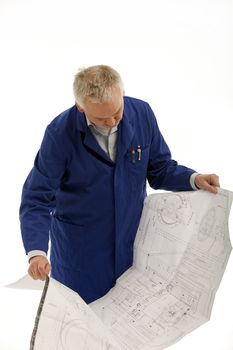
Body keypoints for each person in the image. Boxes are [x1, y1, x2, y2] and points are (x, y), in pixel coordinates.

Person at [20, 65, 220, 304]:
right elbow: (37, 199)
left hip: (133, 246)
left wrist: (193, 179)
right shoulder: (59, 134)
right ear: (80, 107)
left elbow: (159, 168)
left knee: (133, 325)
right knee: (85, 331)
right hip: (81, 255)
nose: (113, 121)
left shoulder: (142, 113)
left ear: (122, 94)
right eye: (102, 119)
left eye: (117, 111)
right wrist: (36, 253)